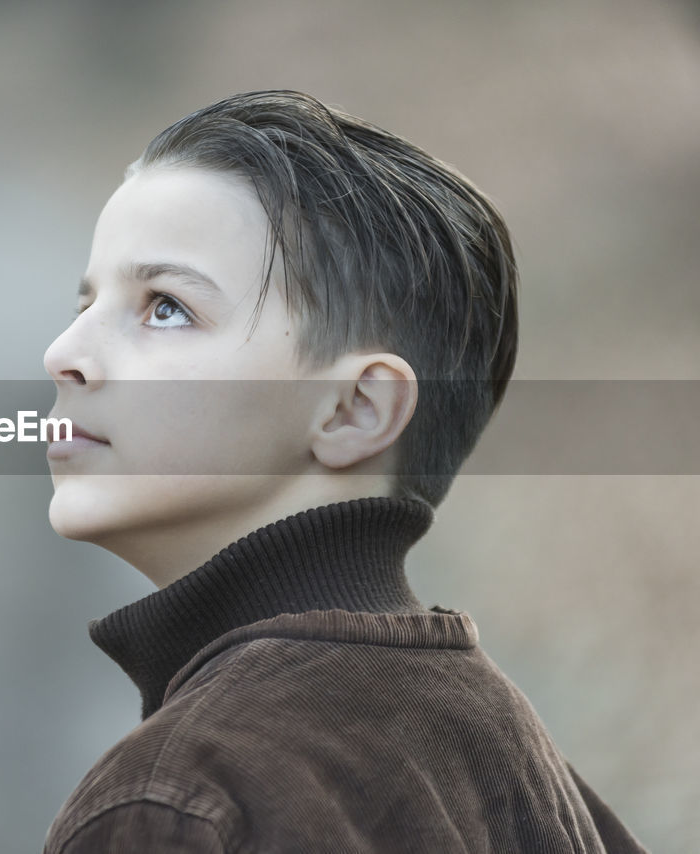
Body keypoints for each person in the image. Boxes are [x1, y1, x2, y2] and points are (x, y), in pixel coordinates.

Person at [39, 91, 649, 852]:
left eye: (165, 307)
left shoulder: (179, 800)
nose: (63, 352)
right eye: (87, 302)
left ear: (355, 409)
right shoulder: (516, 761)